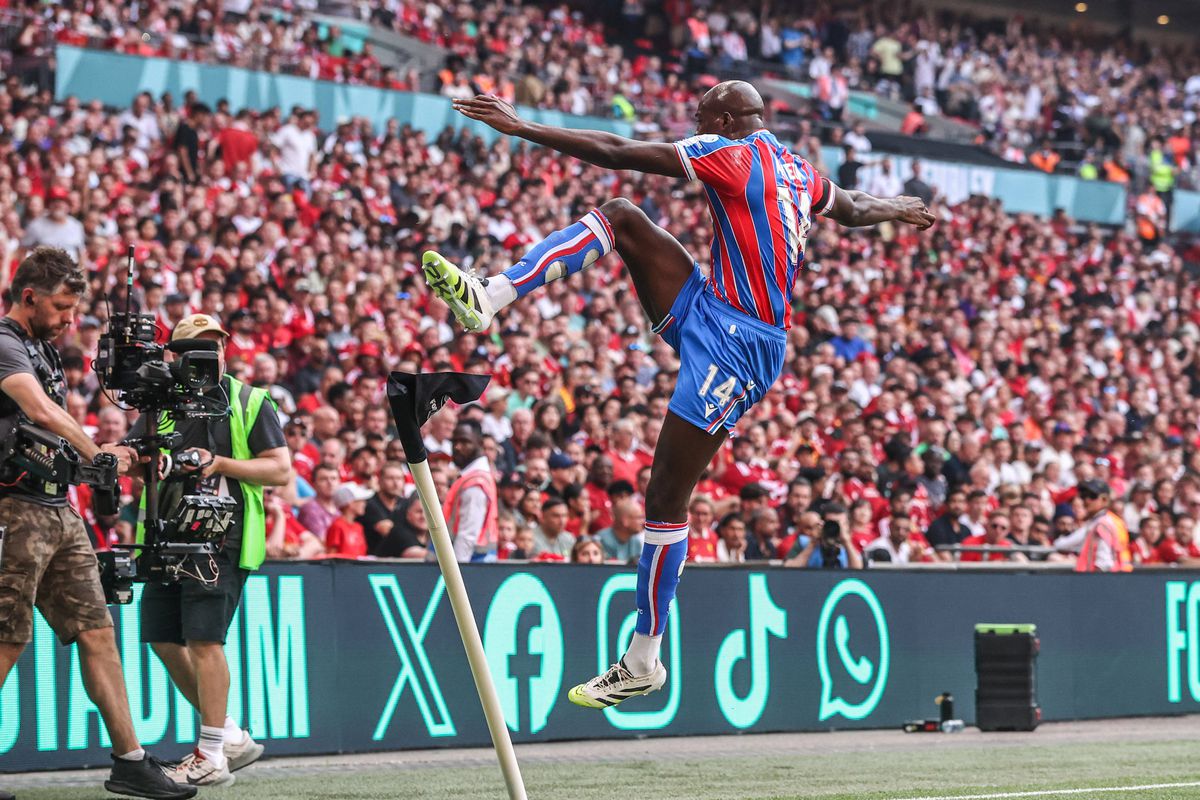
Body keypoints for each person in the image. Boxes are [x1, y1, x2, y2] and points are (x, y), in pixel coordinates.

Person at [424, 80, 933, 708]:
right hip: (711, 306)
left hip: (739, 345)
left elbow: (616, 150)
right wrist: (896, 207)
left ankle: (644, 658)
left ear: (726, 121)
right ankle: (489, 295)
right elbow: (852, 206)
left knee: (666, 495)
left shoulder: (731, 153)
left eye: (701, 121)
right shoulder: (798, 170)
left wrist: (523, 126)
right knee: (622, 218)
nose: (694, 130)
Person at [0, 249, 194, 800]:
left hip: (59, 509)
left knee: (98, 631)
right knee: (5, 638)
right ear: (29, 296)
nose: (69, 320)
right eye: (61, 307)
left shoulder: (42, 348)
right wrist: (99, 453)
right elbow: (40, 411)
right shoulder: (5, 343)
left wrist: (114, 456)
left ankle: (130, 762)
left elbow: (54, 433)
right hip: (12, 509)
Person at [130, 313, 291, 786]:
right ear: (175, 356)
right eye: (197, 347)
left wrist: (217, 463)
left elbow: (280, 470)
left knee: (204, 640)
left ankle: (211, 755)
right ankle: (230, 736)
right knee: (162, 636)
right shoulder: (159, 402)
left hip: (222, 535)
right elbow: (139, 460)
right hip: (166, 534)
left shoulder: (249, 400)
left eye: (216, 346)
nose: (210, 355)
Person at [439, 419, 498, 561]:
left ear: (480, 444)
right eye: (454, 442)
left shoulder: (475, 484)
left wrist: (457, 570)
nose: (457, 447)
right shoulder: (472, 477)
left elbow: (467, 535)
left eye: (465, 442)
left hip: (468, 563)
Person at [1053, 479, 1132, 572]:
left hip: (1105, 577)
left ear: (1104, 499)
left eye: (1092, 496)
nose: (1086, 500)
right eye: (1083, 496)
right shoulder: (1107, 520)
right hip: (1120, 574)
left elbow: (1104, 563)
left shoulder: (1102, 523)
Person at [325, 483, 372, 557]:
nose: (364, 504)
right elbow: (331, 557)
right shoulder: (337, 526)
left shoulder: (359, 527)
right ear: (350, 503)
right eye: (361, 500)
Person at [596, 498, 647, 563]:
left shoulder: (636, 541)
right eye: (639, 517)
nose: (643, 522)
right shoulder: (600, 540)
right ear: (625, 520)